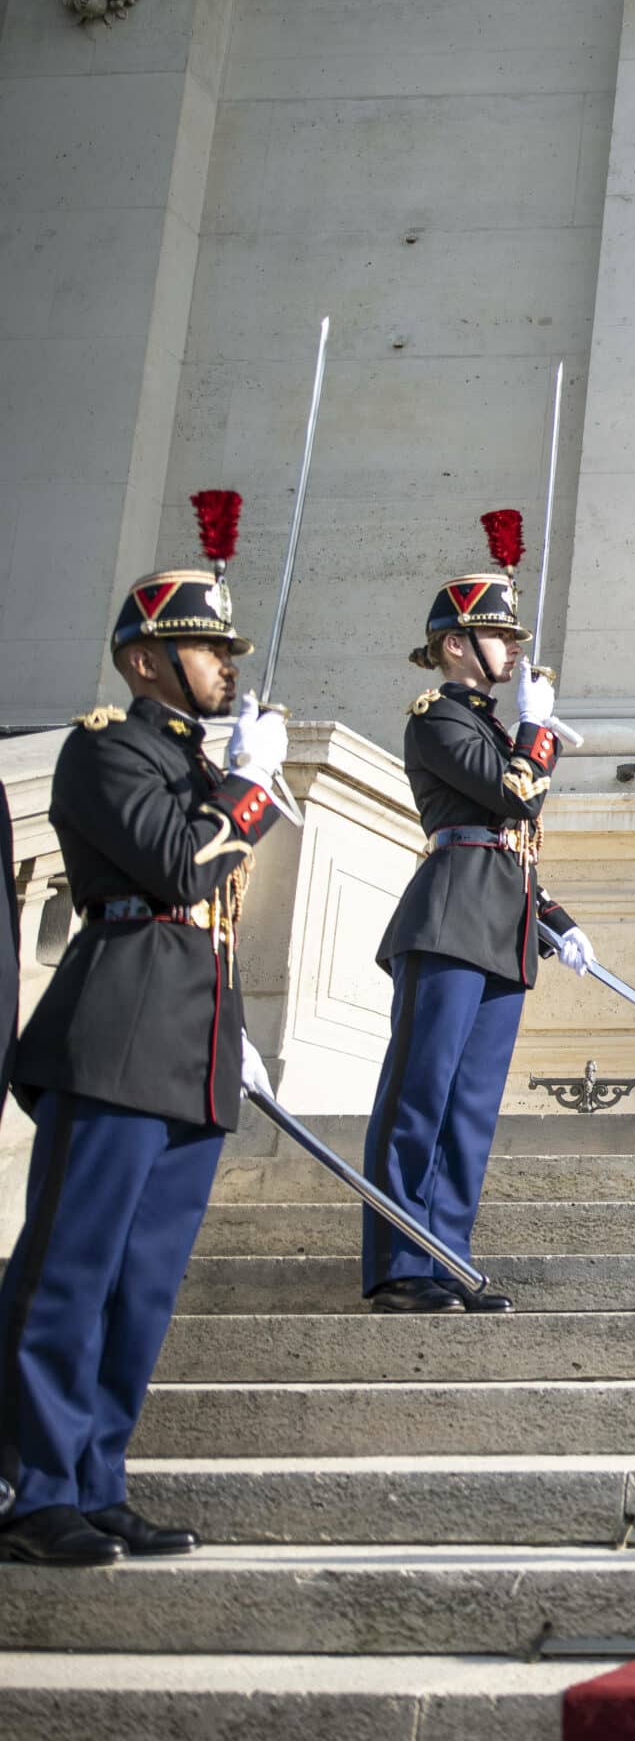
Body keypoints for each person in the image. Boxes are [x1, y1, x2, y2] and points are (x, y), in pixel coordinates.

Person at [3, 507, 290, 1565]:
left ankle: (97, 1476)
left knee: (144, 1285)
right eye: (205, 647)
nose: (222, 664)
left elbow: (214, 907)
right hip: (120, 1027)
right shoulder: (106, 752)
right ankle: (34, 1488)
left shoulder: (195, 768)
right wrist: (250, 792)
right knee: (71, 1268)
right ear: (144, 659)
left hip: (192, 1042)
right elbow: (178, 870)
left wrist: (238, 1036)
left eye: (222, 649)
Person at [359, 518, 593, 1314]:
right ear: (456, 644)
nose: (514, 652)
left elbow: (518, 836)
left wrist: (556, 918)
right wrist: (534, 730)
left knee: (469, 1110)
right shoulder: (439, 717)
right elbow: (515, 793)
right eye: (497, 634)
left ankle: (445, 1255)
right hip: (452, 913)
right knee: (421, 1094)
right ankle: (399, 1261)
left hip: (502, 921)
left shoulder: (491, 726)